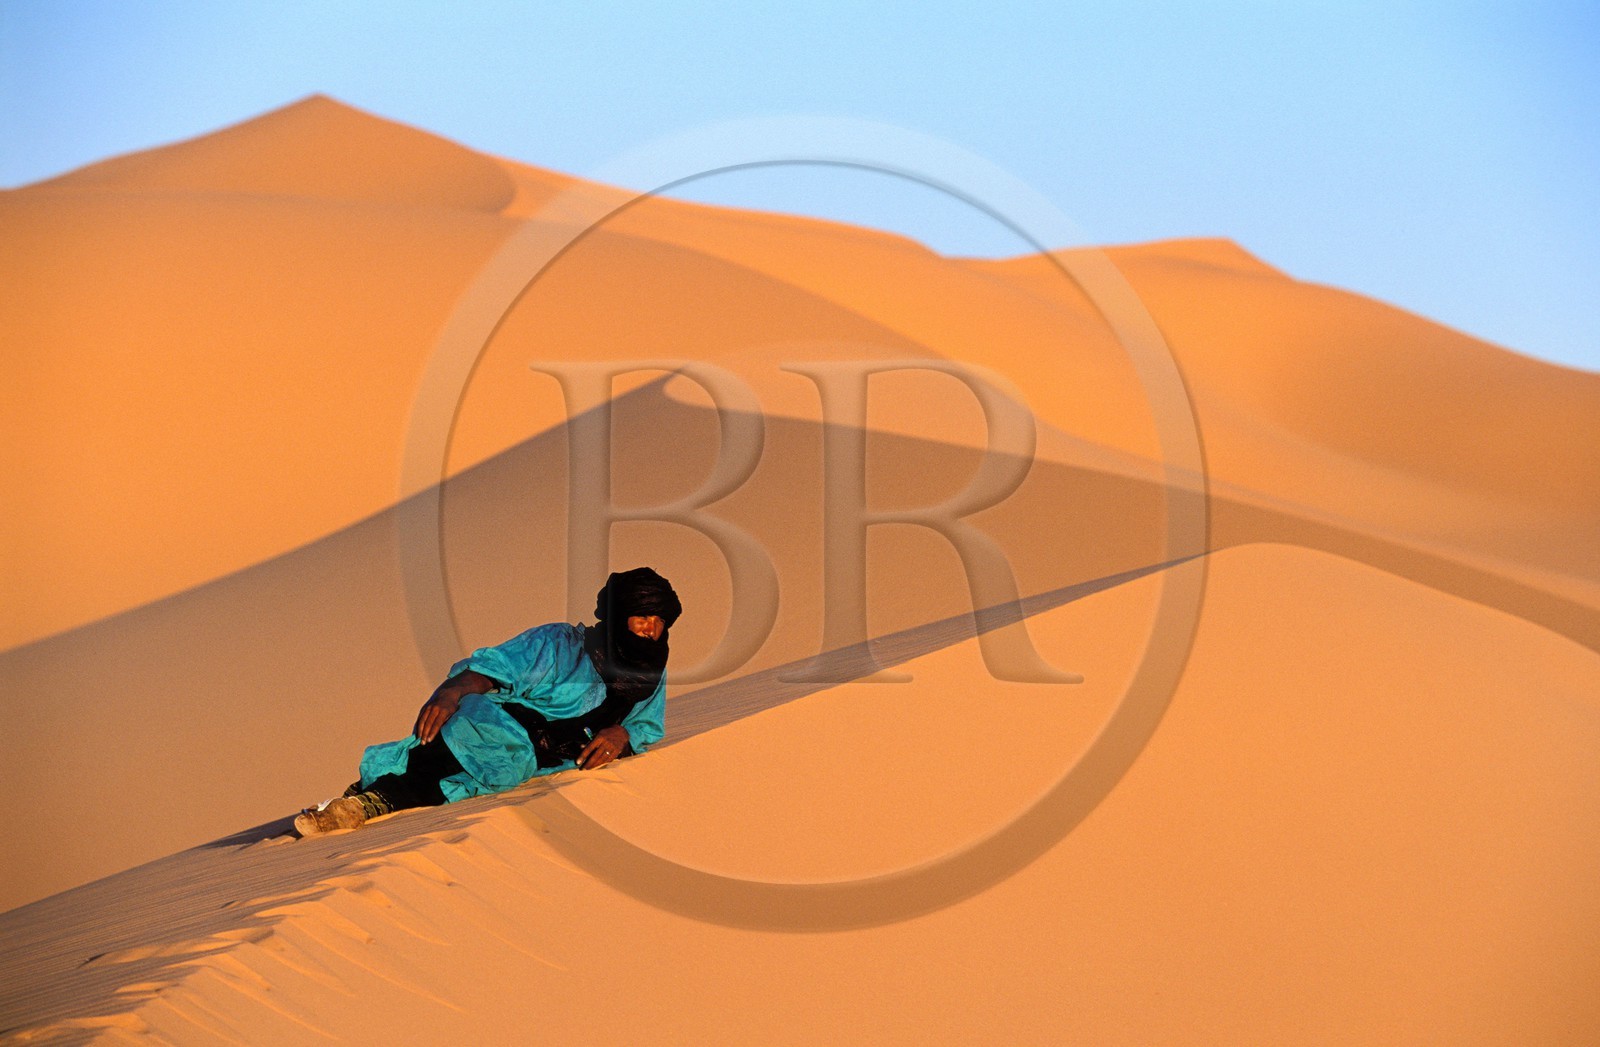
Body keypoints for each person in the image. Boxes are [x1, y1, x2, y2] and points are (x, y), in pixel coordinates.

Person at [294, 567, 681, 837]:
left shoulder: (650, 672)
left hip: (551, 760)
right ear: (618, 618)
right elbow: (497, 668)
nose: (649, 629)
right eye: (640, 617)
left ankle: (368, 803)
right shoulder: (559, 643)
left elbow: (648, 725)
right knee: (474, 738)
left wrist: (621, 733)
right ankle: (365, 804)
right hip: (502, 728)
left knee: (498, 769)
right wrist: (453, 690)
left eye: (657, 620)